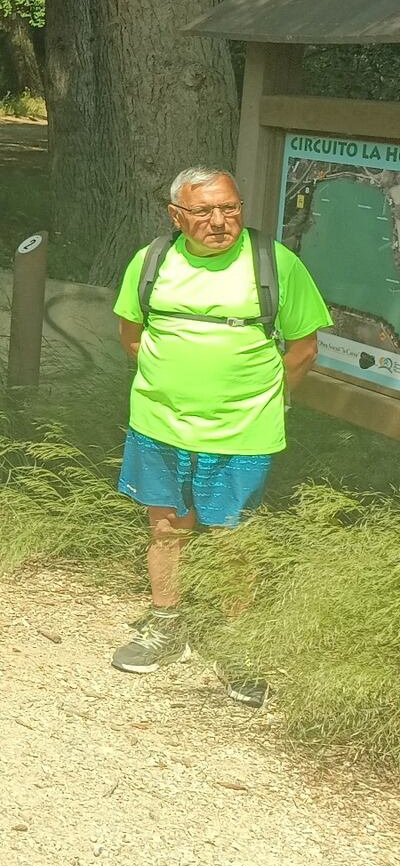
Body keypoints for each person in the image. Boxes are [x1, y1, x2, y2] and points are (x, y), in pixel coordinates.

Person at [107, 166, 329, 698]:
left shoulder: (274, 263)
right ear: (176, 215)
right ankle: (167, 624)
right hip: (160, 427)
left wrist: (262, 402)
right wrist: (171, 389)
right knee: (166, 527)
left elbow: (304, 349)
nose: (219, 221)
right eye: (204, 211)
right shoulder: (152, 260)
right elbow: (131, 336)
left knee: (234, 540)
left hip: (243, 432)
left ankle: (238, 644)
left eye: (230, 208)